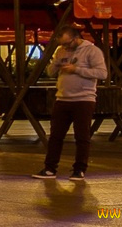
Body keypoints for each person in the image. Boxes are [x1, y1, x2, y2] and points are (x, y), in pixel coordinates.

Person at [35, 25, 107, 180]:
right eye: (62, 44)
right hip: (62, 98)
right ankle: (50, 169)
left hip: (84, 99)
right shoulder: (61, 51)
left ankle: (79, 169)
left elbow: (102, 73)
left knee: (82, 136)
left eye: (67, 43)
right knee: (55, 136)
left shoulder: (92, 51)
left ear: (76, 38)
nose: (65, 47)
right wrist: (55, 63)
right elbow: (50, 72)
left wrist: (76, 69)